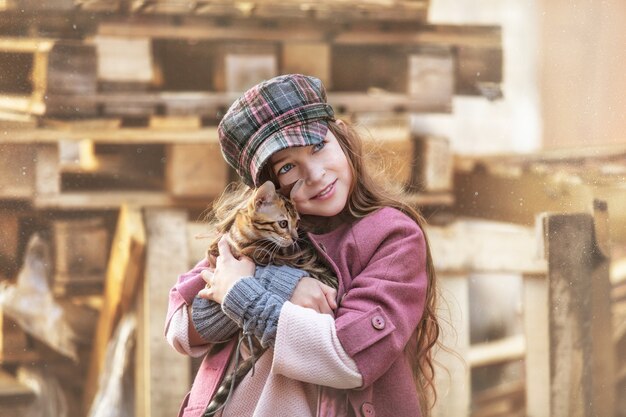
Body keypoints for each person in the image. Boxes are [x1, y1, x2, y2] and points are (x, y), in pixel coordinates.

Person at [165, 74, 440, 417]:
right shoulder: (260, 232)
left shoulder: (393, 237)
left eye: (318, 146)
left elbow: (348, 358)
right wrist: (275, 284)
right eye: (288, 166)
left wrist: (244, 294)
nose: (315, 174)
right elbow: (182, 329)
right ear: (269, 188)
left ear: (341, 135)